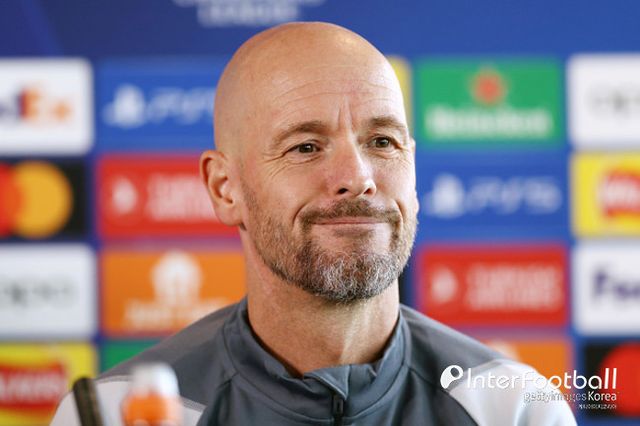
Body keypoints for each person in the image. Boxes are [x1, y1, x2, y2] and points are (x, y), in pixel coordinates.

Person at [52, 22, 576, 425]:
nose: (358, 178)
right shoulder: (116, 413)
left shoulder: (514, 409)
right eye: (305, 147)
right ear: (224, 188)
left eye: (383, 142)